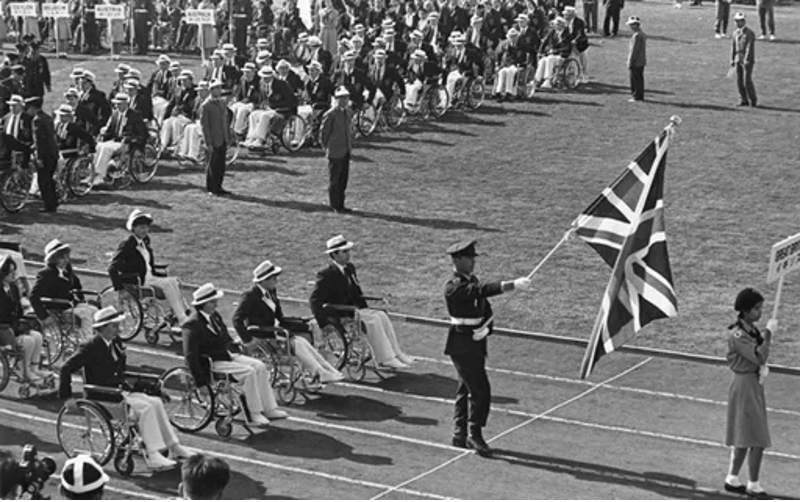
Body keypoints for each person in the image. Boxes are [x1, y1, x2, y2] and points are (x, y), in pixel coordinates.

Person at [60, 306, 194, 470]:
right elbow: (65, 368)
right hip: (103, 396)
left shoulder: (115, 342)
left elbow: (121, 372)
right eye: (114, 326)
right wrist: (68, 397)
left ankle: (173, 445)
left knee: (156, 403)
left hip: (119, 391)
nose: (118, 329)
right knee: (145, 408)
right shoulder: (89, 347)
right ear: (102, 328)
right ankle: (153, 454)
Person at [444, 240, 531, 457]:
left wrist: (487, 329)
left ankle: (459, 432)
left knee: (465, 388)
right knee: (480, 389)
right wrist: (510, 284)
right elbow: (479, 291)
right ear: (457, 260)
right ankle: (474, 434)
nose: (473, 262)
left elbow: (486, 308)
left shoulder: (471, 281)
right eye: (469, 258)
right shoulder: (453, 287)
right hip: (462, 344)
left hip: (475, 342)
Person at [182, 283, 289, 427]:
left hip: (226, 356)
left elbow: (225, 337)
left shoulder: (214, 317)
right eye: (213, 302)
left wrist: (237, 345)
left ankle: (269, 408)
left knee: (260, 366)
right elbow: (190, 355)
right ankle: (254, 413)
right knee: (249, 372)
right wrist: (201, 382)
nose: (216, 305)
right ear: (203, 304)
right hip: (212, 363)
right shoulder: (192, 324)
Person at [310, 235, 413, 370]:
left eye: (348, 251)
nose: (348, 255)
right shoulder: (326, 274)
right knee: (373, 320)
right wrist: (324, 323)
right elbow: (315, 300)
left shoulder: (350, 268)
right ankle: (386, 358)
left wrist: (364, 308)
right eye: (344, 252)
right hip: (340, 312)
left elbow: (357, 291)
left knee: (381, 315)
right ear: (334, 255)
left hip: (354, 310)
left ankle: (397, 353)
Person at [234, 260, 345, 384]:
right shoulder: (250, 296)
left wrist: (302, 323)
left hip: (276, 332)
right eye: (273, 278)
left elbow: (280, 318)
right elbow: (237, 319)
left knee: (302, 341)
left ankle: (327, 369)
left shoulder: (271, 292)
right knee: (298, 343)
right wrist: (248, 340)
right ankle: (320, 372)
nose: (276, 280)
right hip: (263, 334)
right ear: (264, 280)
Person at [724, 288, 775, 500]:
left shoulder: (750, 330)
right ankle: (753, 484)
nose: (759, 312)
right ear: (745, 311)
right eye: (756, 308)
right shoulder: (739, 335)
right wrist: (769, 334)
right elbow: (758, 356)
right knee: (757, 437)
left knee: (744, 435)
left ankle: (733, 478)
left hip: (751, 383)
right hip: (746, 385)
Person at [109, 209, 189, 326]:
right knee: (167, 285)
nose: (145, 230)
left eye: (146, 227)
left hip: (149, 277)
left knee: (175, 281)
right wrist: (119, 288)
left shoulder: (145, 242)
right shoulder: (127, 244)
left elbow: (148, 264)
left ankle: (184, 312)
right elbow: (112, 267)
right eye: (141, 227)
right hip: (137, 282)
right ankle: (182, 319)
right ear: (133, 228)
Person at [30, 240, 99, 342]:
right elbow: (33, 296)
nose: (66, 260)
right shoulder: (46, 274)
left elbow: (77, 284)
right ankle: (88, 344)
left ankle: (96, 340)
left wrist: (81, 299)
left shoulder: (67, 270)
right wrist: (44, 316)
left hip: (70, 305)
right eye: (62, 258)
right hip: (58, 308)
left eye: (67, 257)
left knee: (94, 310)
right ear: (53, 259)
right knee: (85, 314)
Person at [0, 256, 48, 384]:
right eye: (11, 272)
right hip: (3, 328)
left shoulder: (14, 288)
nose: (14, 275)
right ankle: (25, 372)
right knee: (27, 341)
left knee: (37, 336)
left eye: (14, 271)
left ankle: (34, 368)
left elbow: (19, 310)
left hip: (14, 325)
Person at [94, 93, 147, 187]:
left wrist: (133, 141)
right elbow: (110, 130)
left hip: (127, 142)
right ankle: (94, 174)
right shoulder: (115, 114)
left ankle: (100, 175)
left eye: (119, 104)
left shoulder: (135, 116)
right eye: (116, 104)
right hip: (114, 140)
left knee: (105, 149)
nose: (117, 106)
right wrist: (103, 132)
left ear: (126, 104)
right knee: (98, 146)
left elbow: (142, 134)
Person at [320, 87, 354, 213]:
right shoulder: (331, 114)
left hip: (345, 150)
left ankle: (341, 204)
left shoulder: (348, 112)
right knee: (335, 180)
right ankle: (335, 205)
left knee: (343, 180)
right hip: (335, 151)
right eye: (342, 98)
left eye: (346, 98)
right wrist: (327, 148)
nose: (344, 101)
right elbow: (324, 133)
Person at [25, 97, 59, 213]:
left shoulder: (37, 120)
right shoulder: (47, 117)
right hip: (53, 152)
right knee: (49, 178)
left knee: (43, 180)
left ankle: (49, 205)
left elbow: (39, 140)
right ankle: (53, 202)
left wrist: (39, 157)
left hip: (44, 154)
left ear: (33, 108)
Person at [200, 79, 231, 196]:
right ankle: (211, 188)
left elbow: (225, 121)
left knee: (221, 165)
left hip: (222, 138)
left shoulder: (222, 103)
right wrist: (208, 142)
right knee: (212, 165)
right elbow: (205, 126)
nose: (219, 90)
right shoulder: (206, 105)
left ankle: (219, 186)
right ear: (211, 90)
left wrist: (228, 136)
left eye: (220, 88)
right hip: (213, 139)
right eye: (216, 88)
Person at [731, 12, 757, 108]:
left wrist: (746, 59)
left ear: (744, 21)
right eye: (736, 21)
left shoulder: (750, 33)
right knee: (739, 81)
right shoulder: (735, 33)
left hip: (747, 60)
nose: (738, 23)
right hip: (738, 59)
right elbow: (733, 47)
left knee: (747, 80)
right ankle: (743, 99)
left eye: (740, 21)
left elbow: (749, 47)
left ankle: (752, 99)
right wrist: (732, 59)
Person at [626, 16, 646, 103]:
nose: (630, 26)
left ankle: (636, 97)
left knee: (635, 80)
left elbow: (634, 50)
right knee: (639, 79)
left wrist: (630, 61)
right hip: (641, 61)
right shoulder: (641, 33)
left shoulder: (637, 35)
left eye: (631, 25)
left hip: (636, 62)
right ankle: (639, 96)